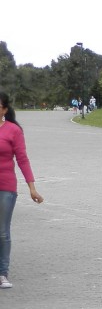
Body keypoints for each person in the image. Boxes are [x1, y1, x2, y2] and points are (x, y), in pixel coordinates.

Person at [0, 91, 44, 289]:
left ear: (5, 109)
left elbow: (23, 159)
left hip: (6, 187)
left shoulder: (13, 131)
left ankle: (2, 273)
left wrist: (32, 188)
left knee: (2, 232)